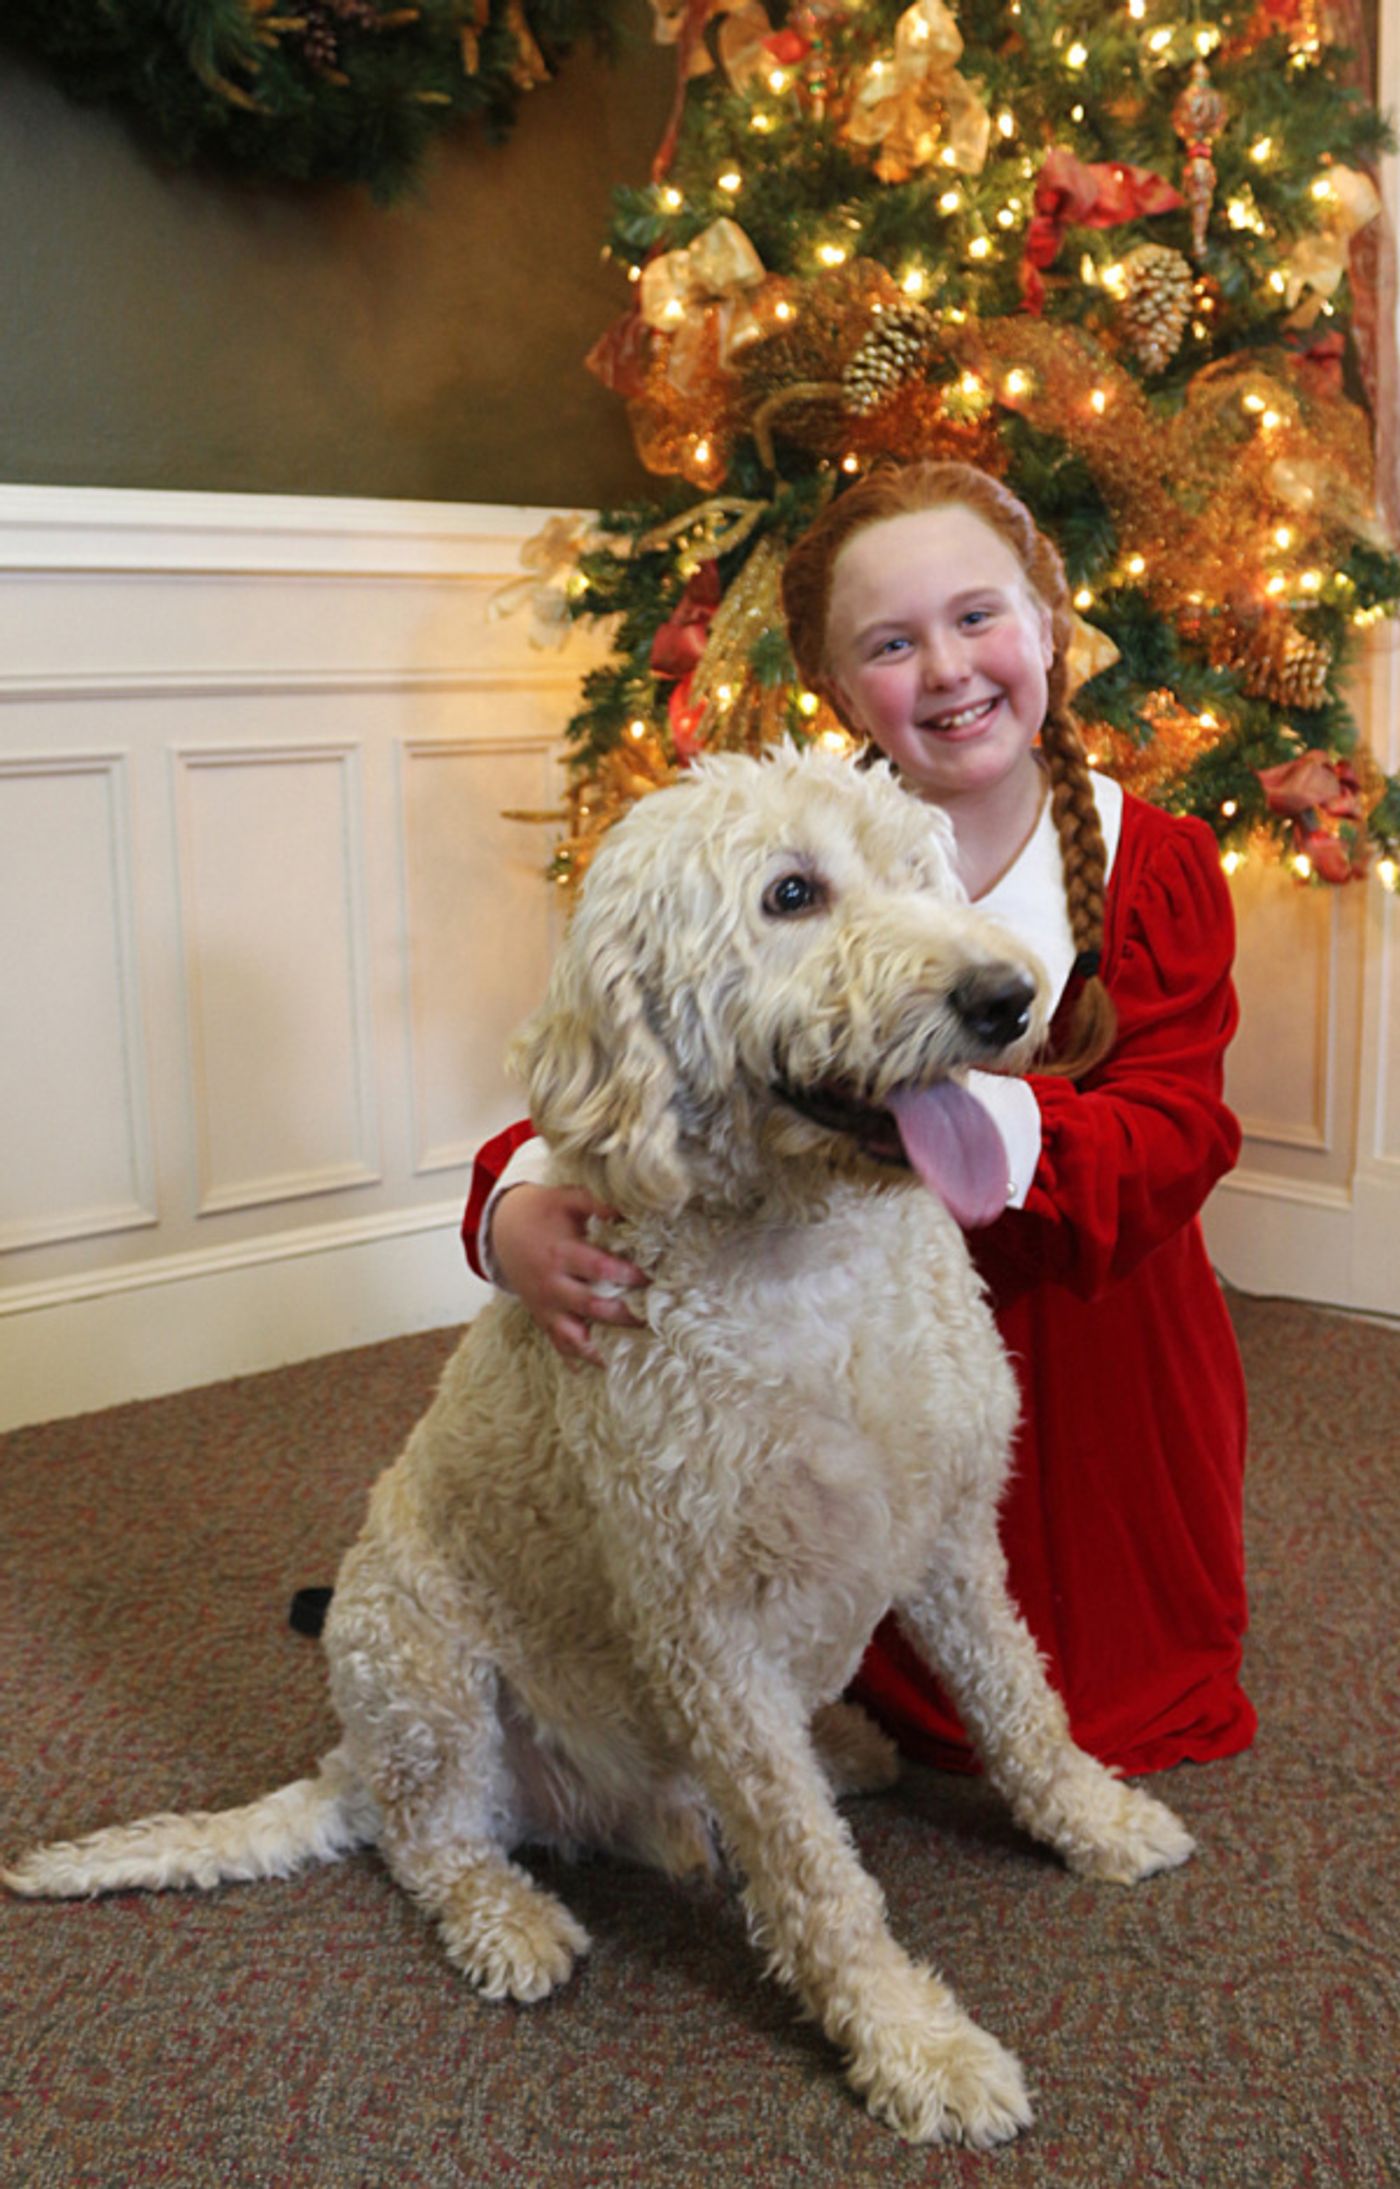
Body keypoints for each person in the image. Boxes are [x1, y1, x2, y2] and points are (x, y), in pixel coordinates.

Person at [460, 459, 1257, 1779]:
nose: (946, 669)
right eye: (892, 643)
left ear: (1052, 627)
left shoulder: (1151, 863)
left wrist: (964, 1125)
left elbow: (1171, 1133)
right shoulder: (768, 858)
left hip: (1091, 1350)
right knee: (850, 1657)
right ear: (839, 690)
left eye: (979, 617)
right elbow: (634, 1040)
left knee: (1116, 1701)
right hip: (839, 1351)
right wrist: (515, 1202)